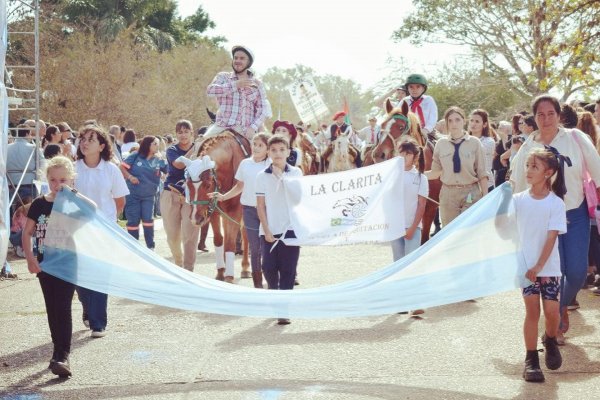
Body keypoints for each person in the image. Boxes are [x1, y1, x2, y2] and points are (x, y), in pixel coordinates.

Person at [510, 94, 600, 345]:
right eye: (540, 114)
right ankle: (555, 324)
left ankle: (557, 308)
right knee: (556, 272)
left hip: (574, 213)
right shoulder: (527, 146)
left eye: (551, 113)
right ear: (534, 117)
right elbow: (516, 185)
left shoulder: (575, 138)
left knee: (578, 272)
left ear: (559, 115)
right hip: (543, 218)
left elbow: (597, 172)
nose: (546, 119)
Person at [22, 156, 77, 378]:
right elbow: (27, 233)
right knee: (52, 309)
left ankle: (62, 355)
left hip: (68, 264)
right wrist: (30, 259)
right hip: (45, 265)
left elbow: (93, 211)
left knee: (63, 308)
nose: (57, 184)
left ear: (71, 180)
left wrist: (74, 194)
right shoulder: (39, 204)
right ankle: (57, 351)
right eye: (53, 180)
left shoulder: (73, 202)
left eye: (63, 179)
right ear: (47, 179)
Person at [513, 148, 566, 382]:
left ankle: (550, 339)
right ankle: (531, 360)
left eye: (534, 166)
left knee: (552, 313)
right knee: (532, 311)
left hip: (548, 267)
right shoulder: (517, 201)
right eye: (527, 165)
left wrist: (539, 266)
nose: (528, 170)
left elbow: (551, 236)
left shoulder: (556, 203)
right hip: (526, 269)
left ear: (549, 172)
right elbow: (502, 229)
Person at [74, 125, 129, 338]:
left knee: (100, 274)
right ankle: (87, 306)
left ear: (102, 145)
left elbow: (120, 201)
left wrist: (105, 222)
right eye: (82, 139)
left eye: (91, 139)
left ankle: (98, 323)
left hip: (104, 230)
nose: (85, 142)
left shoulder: (111, 170)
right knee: (79, 277)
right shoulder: (73, 168)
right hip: (77, 230)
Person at [209, 133, 270, 288]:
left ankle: (271, 277)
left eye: (260, 145)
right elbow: (239, 186)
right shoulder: (245, 164)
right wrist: (223, 196)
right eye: (254, 144)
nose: (255, 148)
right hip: (249, 210)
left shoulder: (271, 164)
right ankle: (257, 283)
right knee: (255, 247)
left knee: (268, 245)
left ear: (268, 149)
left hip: (269, 211)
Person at [256, 134, 303, 325]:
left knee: (289, 269)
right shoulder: (262, 176)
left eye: (282, 150)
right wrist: (266, 230)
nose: (278, 153)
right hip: (269, 229)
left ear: (288, 152)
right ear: (268, 152)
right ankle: (274, 294)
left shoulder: (296, 173)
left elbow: (300, 200)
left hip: (291, 230)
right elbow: (260, 206)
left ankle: (283, 309)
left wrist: (284, 180)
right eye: (274, 150)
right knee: (268, 267)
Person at [426, 106, 488, 227]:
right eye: (450, 120)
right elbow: (435, 172)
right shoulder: (441, 144)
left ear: (464, 121)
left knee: (467, 231)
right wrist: (412, 174)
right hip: (448, 194)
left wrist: (485, 198)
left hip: (470, 193)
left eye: (457, 119)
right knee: (449, 232)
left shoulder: (475, 143)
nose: (454, 123)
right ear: (446, 123)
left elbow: (482, 172)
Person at [391, 139, 428, 316]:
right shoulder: (392, 176)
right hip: (395, 227)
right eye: (401, 153)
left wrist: (413, 227)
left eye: (408, 154)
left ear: (415, 157)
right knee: (398, 264)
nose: (404, 157)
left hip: (412, 226)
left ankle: (417, 301)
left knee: (412, 263)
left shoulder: (420, 178)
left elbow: (421, 205)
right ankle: (401, 302)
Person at [205, 45, 272, 139]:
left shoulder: (257, 83)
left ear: (249, 62)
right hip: (221, 127)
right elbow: (210, 91)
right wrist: (235, 85)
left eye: (242, 58)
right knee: (199, 146)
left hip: (245, 130)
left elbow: (263, 110)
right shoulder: (223, 76)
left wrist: (253, 128)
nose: (237, 61)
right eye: (235, 58)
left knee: (262, 151)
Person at [161, 120, 200, 270]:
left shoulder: (201, 150)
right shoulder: (172, 150)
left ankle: (188, 269)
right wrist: (194, 149)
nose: (183, 135)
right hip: (171, 193)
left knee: (190, 234)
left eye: (186, 131)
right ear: (176, 134)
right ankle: (178, 262)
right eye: (180, 132)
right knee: (172, 235)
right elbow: (179, 164)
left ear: (192, 133)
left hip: (191, 197)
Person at [120, 136, 167, 249]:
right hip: (133, 195)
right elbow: (122, 167)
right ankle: (133, 247)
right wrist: (130, 177)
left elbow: (168, 171)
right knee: (133, 221)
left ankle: (150, 247)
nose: (157, 146)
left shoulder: (158, 159)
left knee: (148, 220)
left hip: (149, 195)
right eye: (155, 144)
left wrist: (165, 174)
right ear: (148, 145)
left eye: (157, 144)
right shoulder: (135, 156)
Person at [7, 124, 46, 210]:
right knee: (29, 213)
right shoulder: (33, 148)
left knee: (13, 213)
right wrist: (39, 178)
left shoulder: (6, 148)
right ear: (27, 134)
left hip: (11, 185)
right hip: (29, 185)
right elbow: (43, 164)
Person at [468, 109, 497, 191]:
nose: (473, 124)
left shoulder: (489, 141)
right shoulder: (464, 140)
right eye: (471, 120)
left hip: (486, 186)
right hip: (468, 187)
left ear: (484, 124)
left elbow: (472, 153)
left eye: (477, 121)